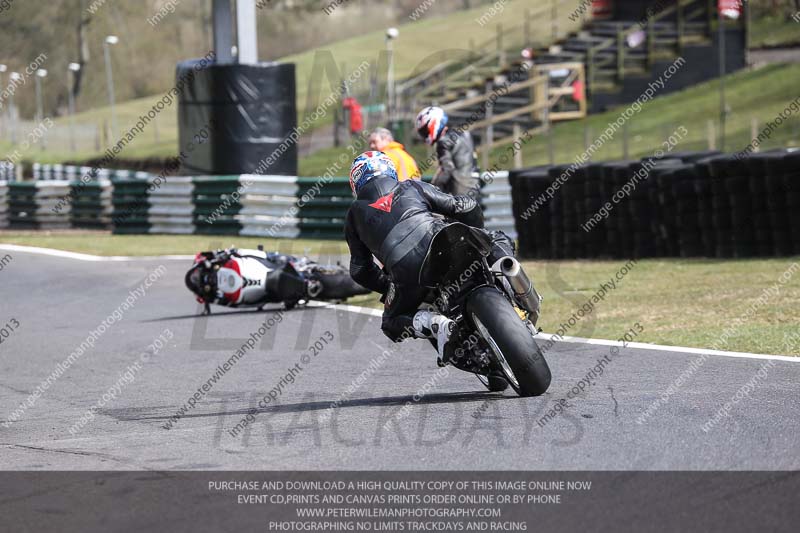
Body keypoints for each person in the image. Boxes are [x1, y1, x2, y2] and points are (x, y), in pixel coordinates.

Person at [344, 151, 515, 369]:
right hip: (442, 242)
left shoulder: (354, 214)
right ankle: (511, 279)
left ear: (356, 182)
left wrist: (387, 287)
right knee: (497, 238)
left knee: (390, 323)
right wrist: (475, 231)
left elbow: (359, 269)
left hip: (405, 273)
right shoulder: (411, 186)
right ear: (390, 169)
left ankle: (434, 324)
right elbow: (463, 206)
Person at [415, 106, 478, 195]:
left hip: (460, 192)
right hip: (474, 186)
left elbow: (447, 169)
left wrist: (433, 191)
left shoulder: (443, 142)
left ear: (433, 124)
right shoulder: (465, 134)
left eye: (424, 131)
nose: (424, 135)